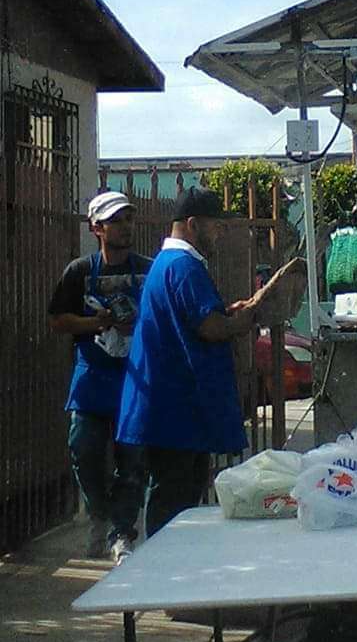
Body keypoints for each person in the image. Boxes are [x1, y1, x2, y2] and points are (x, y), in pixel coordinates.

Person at [117, 186, 307, 537]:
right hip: (177, 409)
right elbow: (211, 327)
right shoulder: (184, 266)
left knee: (178, 496)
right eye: (215, 225)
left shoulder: (170, 264)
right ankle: (166, 573)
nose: (220, 232)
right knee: (175, 502)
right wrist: (251, 315)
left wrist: (233, 312)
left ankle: (172, 568)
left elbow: (198, 319)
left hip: (174, 408)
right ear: (192, 224)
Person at [49, 191, 151, 564]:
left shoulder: (149, 268)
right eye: (115, 220)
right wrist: (99, 322)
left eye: (128, 219)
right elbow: (58, 319)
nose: (124, 227)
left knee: (133, 458)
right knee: (85, 449)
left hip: (135, 377)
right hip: (93, 375)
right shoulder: (79, 272)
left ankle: (122, 532)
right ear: (97, 228)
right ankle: (100, 512)